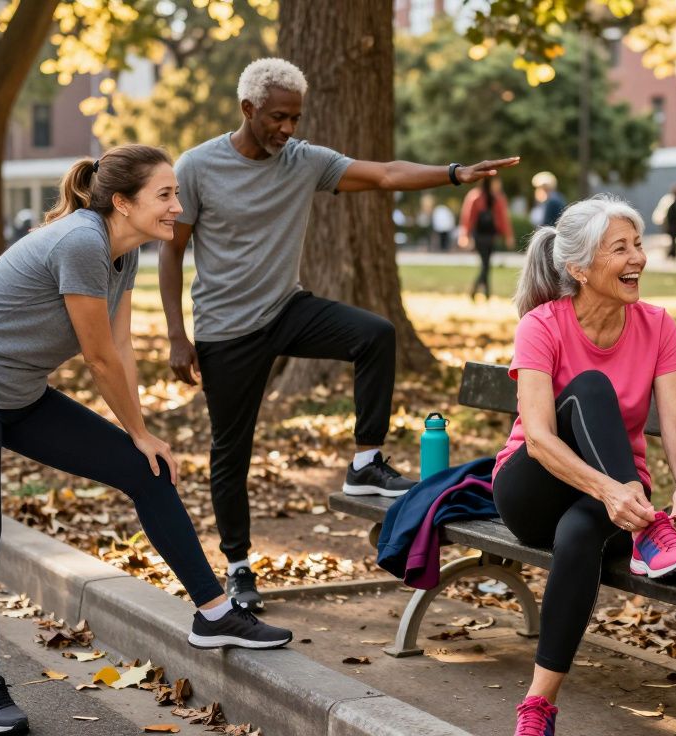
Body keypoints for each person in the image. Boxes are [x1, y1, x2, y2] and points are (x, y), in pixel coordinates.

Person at [0, 146, 293, 735]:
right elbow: (96, 359)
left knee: (146, 470)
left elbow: (120, 347)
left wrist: (139, 438)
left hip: (16, 392)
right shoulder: (81, 242)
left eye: (176, 194)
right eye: (165, 195)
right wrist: (136, 429)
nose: (178, 206)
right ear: (123, 202)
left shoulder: (124, 252)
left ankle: (216, 613)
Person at [159, 58, 518, 613]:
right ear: (247, 109)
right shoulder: (198, 166)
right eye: (277, 117)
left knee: (374, 335)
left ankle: (364, 463)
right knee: (231, 452)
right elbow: (172, 248)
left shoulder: (303, 161)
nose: (287, 129)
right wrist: (177, 335)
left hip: (285, 307)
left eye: (295, 118)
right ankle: (237, 568)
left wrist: (453, 174)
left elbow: (384, 174)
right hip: (226, 329)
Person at [495, 195, 676, 735]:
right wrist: (616, 491)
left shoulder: (657, 325)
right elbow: (539, 439)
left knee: (581, 533)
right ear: (579, 269)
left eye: (637, 244)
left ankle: (538, 706)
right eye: (620, 248)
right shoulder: (542, 326)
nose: (637, 257)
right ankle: (650, 532)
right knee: (590, 388)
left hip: (613, 507)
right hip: (533, 487)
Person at [458, 177, 514, 301]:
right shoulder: (475, 197)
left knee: (486, 264)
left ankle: (486, 292)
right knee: (486, 264)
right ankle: (476, 290)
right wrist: (464, 235)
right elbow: (468, 217)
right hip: (479, 236)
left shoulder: (497, 198)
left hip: (491, 236)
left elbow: (503, 218)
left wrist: (508, 235)